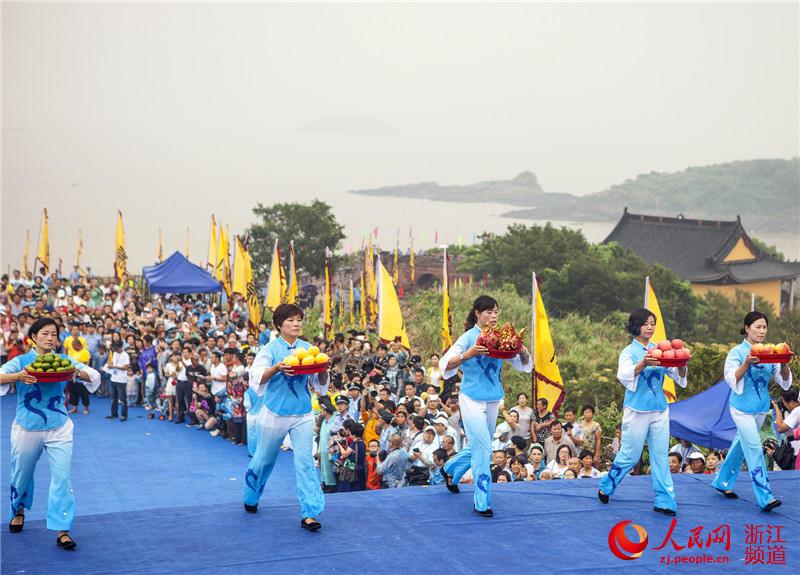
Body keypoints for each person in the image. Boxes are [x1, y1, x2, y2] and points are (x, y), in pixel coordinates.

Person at [0, 317, 100, 550]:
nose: (50, 338)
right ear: (33, 337)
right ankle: (18, 509)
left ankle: (62, 529)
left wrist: (76, 373)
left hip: (59, 427)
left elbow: (93, 376)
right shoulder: (21, 361)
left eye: (54, 334)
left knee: (62, 477)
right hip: (27, 427)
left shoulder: (64, 361)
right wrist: (17, 377)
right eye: (45, 333)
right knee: (20, 474)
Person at [438, 295, 532, 517]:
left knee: (480, 445)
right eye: (488, 312)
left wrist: (523, 351)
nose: (493, 316)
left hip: (493, 398)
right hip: (471, 398)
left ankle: (450, 469)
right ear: (477, 314)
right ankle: (482, 500)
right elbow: (445, 365)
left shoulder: (500, 337)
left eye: (496, 311)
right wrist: (467, 355)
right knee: (482, 447)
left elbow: (524, 364)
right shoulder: (468, 337)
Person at [243, 304, 329, 531]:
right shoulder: (270, 349)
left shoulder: (309, 348)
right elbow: (257, 377)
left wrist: (323, 369)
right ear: (279, 325)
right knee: (264, 460)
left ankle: (310, 512)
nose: (297, 324)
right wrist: (277, 368)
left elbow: (320, 385)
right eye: (291, 320)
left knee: (305, 463)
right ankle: (251, 496)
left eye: (299, 319)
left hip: (302, 414)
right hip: (274, 414)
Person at [598, 308, 687, 516]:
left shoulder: (661, 349)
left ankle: (665, 500)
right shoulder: (628, 352)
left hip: (659, 410)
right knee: (630, 454)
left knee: (660, 456)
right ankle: (607, 484)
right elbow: (625, 375)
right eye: (646, 323)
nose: (650, 327)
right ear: (636, 326)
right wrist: (644, 363)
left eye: (652, 323)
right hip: (636, 410)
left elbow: (678, 376)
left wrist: (682, 362)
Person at [711, 311, 792, 511]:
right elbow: (731, 379)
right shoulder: (737, 353)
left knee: (740, 444)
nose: (762, 331)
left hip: (761, 409)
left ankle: (722, 481)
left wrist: (783, 364)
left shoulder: (771, 351)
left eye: (764, 327)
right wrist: (746, 363)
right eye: (758, 327)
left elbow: (783, 381)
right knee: (755, 448)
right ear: (747, 329)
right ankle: (766, 496)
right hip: (741, 409)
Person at [105, 341, 131, 421]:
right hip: (113, 378)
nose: (115, 349)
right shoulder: (115, 353)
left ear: (120, 347)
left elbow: (126, 367)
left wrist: (114, 366)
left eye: (116, 348)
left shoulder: (125, 355)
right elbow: (112, 362)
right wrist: (110, 366)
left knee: (122, 399)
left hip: (121, 380)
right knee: (113, 398)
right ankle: (114, 414)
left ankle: (124, 415)